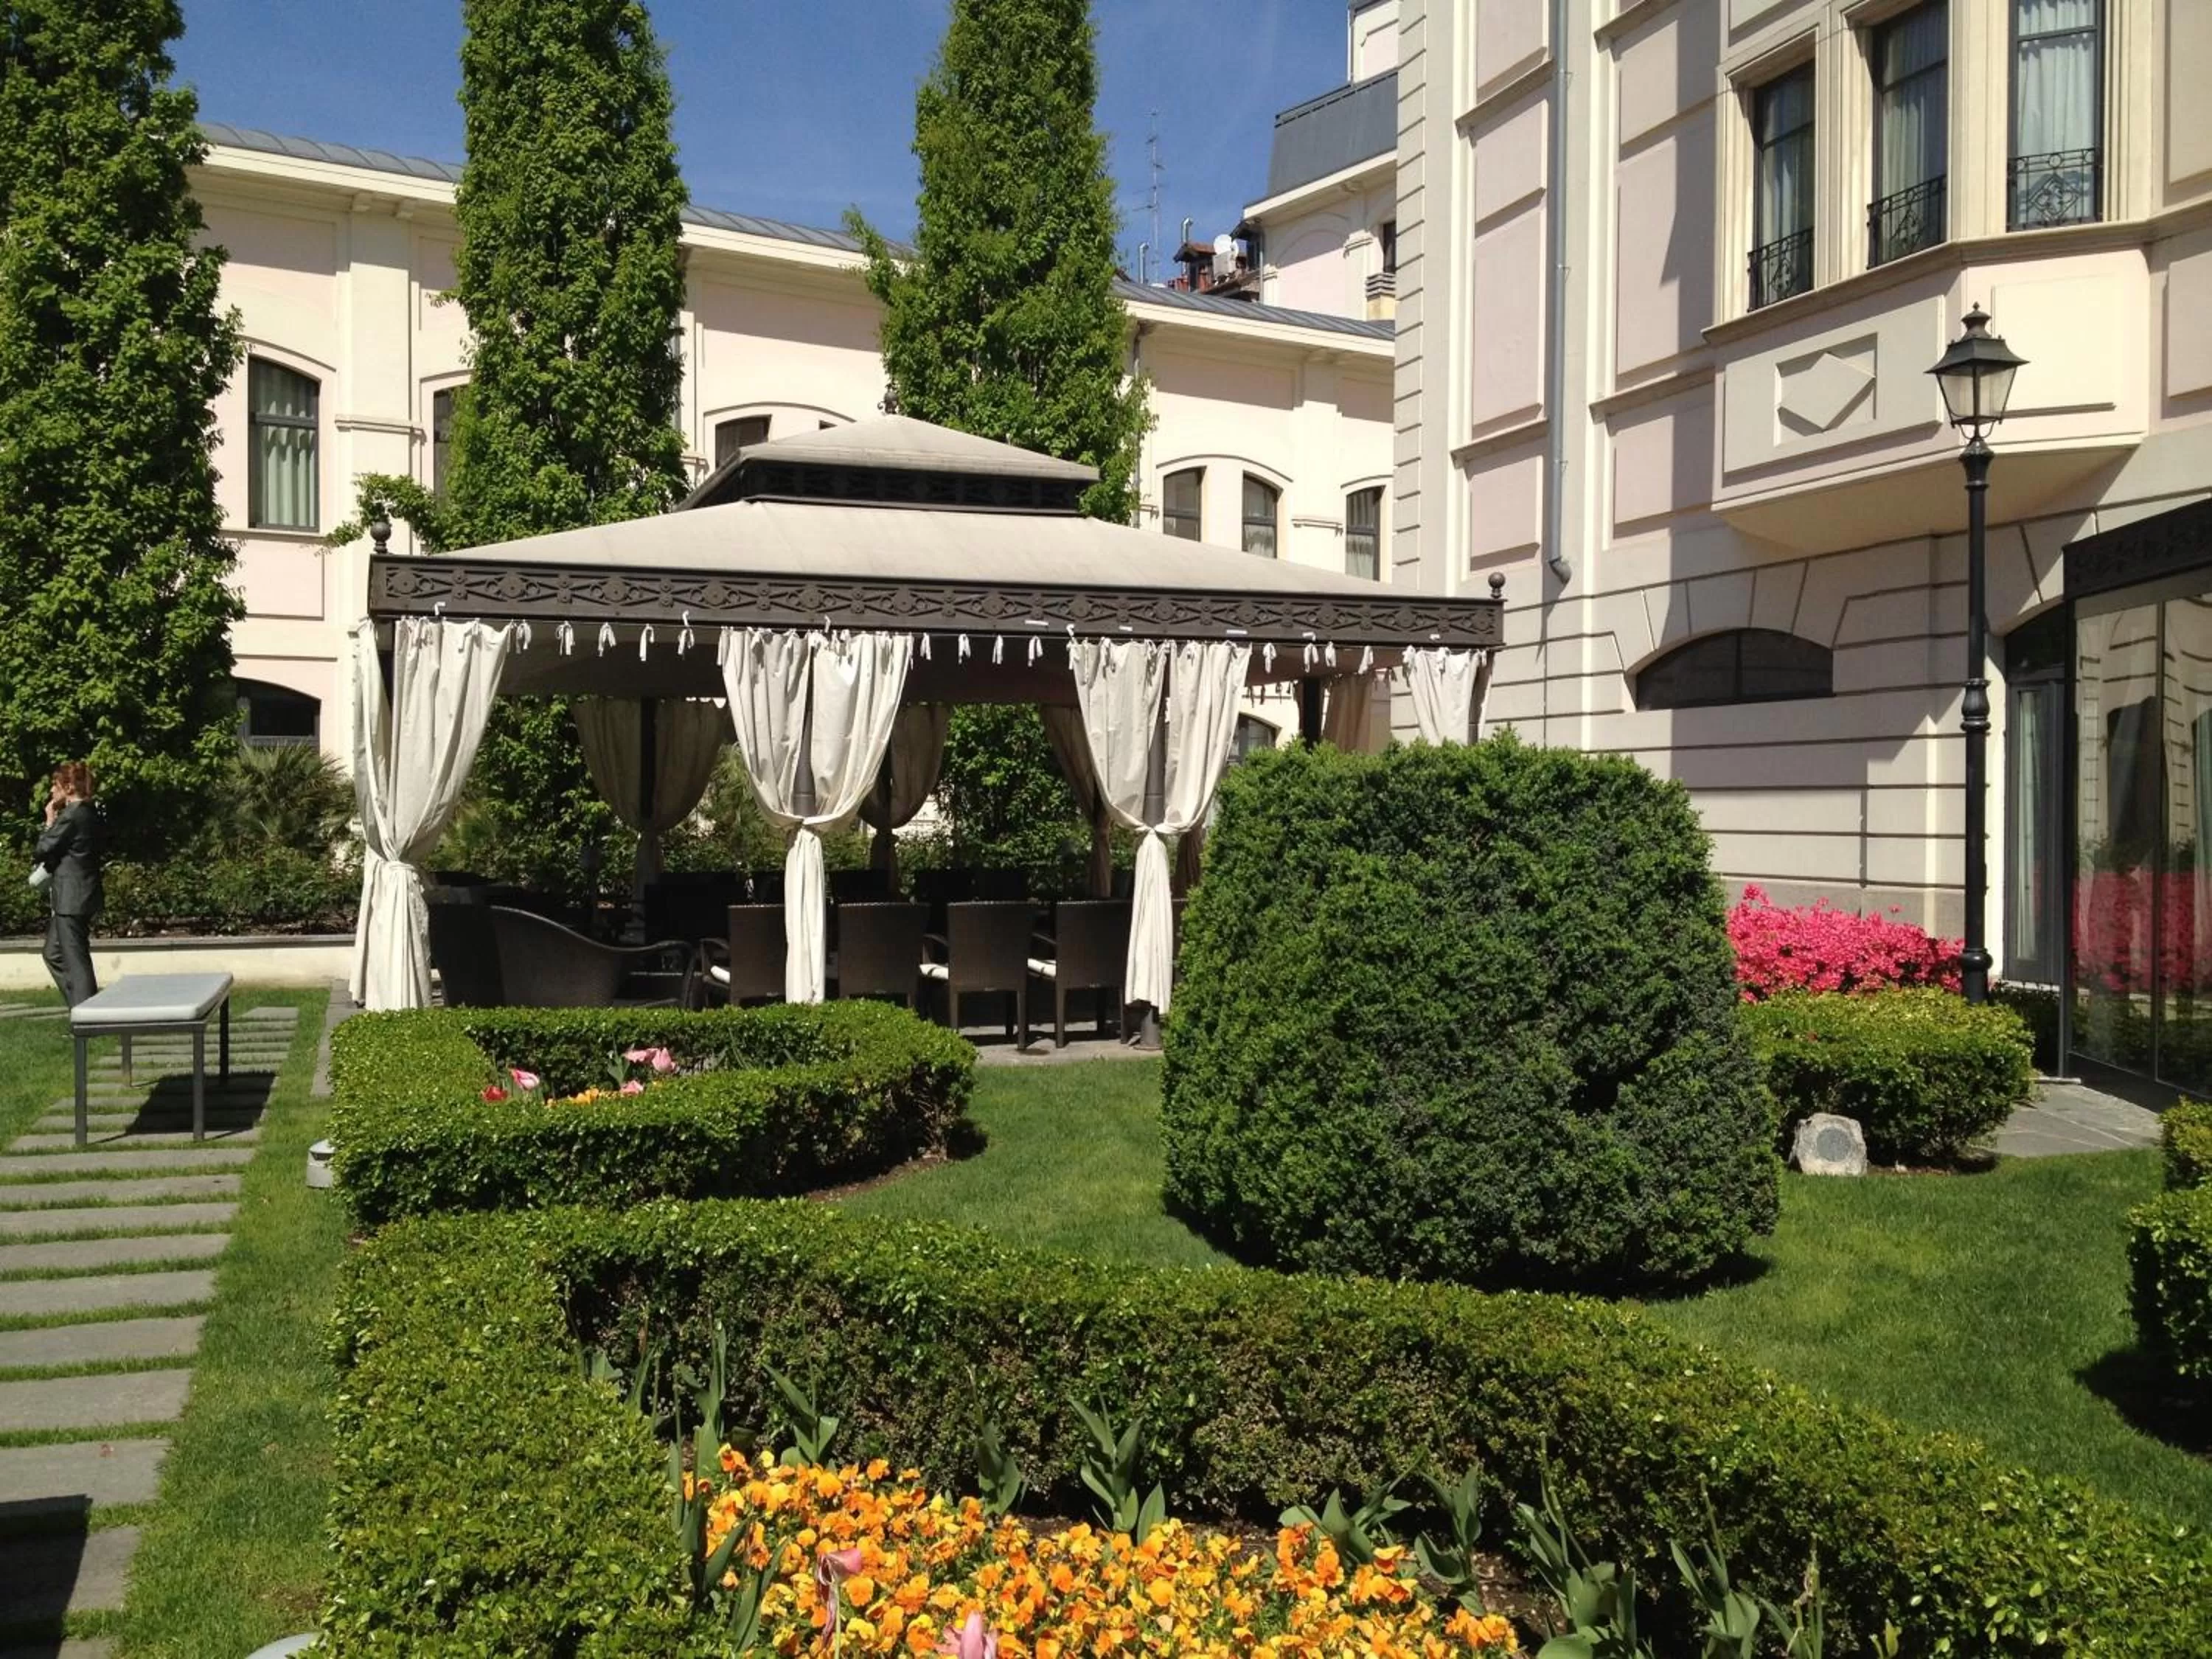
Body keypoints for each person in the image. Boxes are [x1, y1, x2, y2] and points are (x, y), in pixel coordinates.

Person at [35, 761, 103, 1006]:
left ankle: (88, 1018)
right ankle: (80, 1007)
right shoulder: (89, 811)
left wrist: (49, 818)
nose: (53, 790)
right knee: (53, 954)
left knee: (76, 960)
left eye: (56, 785)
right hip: (78, 895)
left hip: (72, 898)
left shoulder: (73, 815)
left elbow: (42, 848)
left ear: (70, 786)